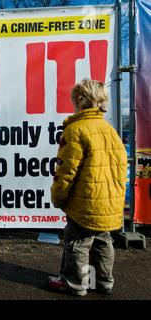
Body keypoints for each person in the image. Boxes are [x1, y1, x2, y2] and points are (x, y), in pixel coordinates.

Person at [49, 78, 127, 296]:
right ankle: (103, 281)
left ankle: (74, 282)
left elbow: (66, 172)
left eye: (74, 99)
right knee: (103, 242)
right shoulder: (111, 131)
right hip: (108, 203)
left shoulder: (75, 130)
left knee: (77, 242)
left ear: (80, 101)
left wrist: (58, 197)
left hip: (86, 203)